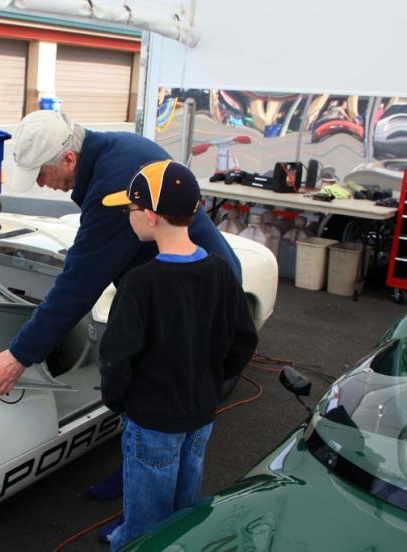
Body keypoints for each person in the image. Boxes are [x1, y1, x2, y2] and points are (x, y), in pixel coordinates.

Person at [0, 110, 242, 397]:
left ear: (69, 159)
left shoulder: (114, 187)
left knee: (171, 400)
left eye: (41, 173)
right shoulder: (119, 146)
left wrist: (19, 355)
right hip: (202, 290)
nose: (41, 184)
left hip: (197, 309)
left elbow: (78, 285)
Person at [98, 160, 258, 550]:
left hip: (152, 420)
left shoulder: (139, 283)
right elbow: (244, 338)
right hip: (200, 414)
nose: (128, 216)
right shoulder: (220, 270)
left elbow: (117, 356)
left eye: (130, 209)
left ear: (151, 215)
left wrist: (118, 400)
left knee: (145, 526)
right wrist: (212, 384)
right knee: (184, 510)